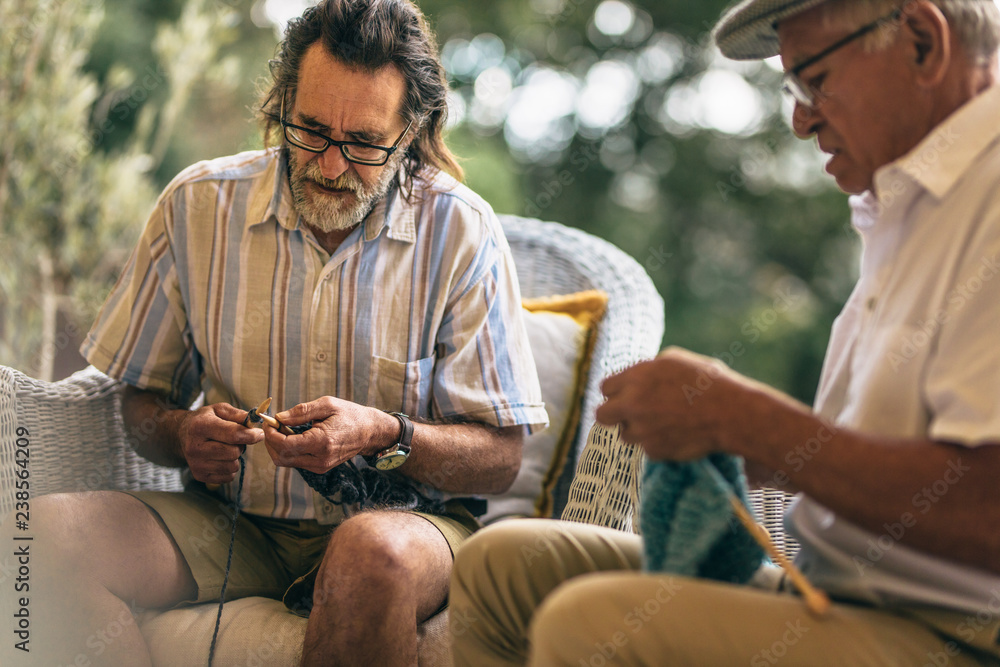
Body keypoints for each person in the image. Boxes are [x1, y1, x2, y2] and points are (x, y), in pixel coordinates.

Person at [449, 0, 1000, 664]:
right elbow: (891, 450)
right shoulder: (903, 207)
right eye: (792, 88)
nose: (800, 120)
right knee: (501, 565)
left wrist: (748, 419)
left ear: (920, 40)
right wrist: (734, 443)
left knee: (588, 623)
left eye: (814, 80)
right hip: (835, 592)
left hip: (954, 632)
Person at [0, 0, 547, 665]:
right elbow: (138, 403)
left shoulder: (461, 230)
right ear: (282, 101)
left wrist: (386, 434)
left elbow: (501, 456)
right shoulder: (196, 207)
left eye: (365, 144)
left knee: (369, 553)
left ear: (411, 133)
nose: (330, 164)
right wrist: (181, 434)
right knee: (38, 535)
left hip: (409, 528)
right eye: (311, 129)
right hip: (235, 524)